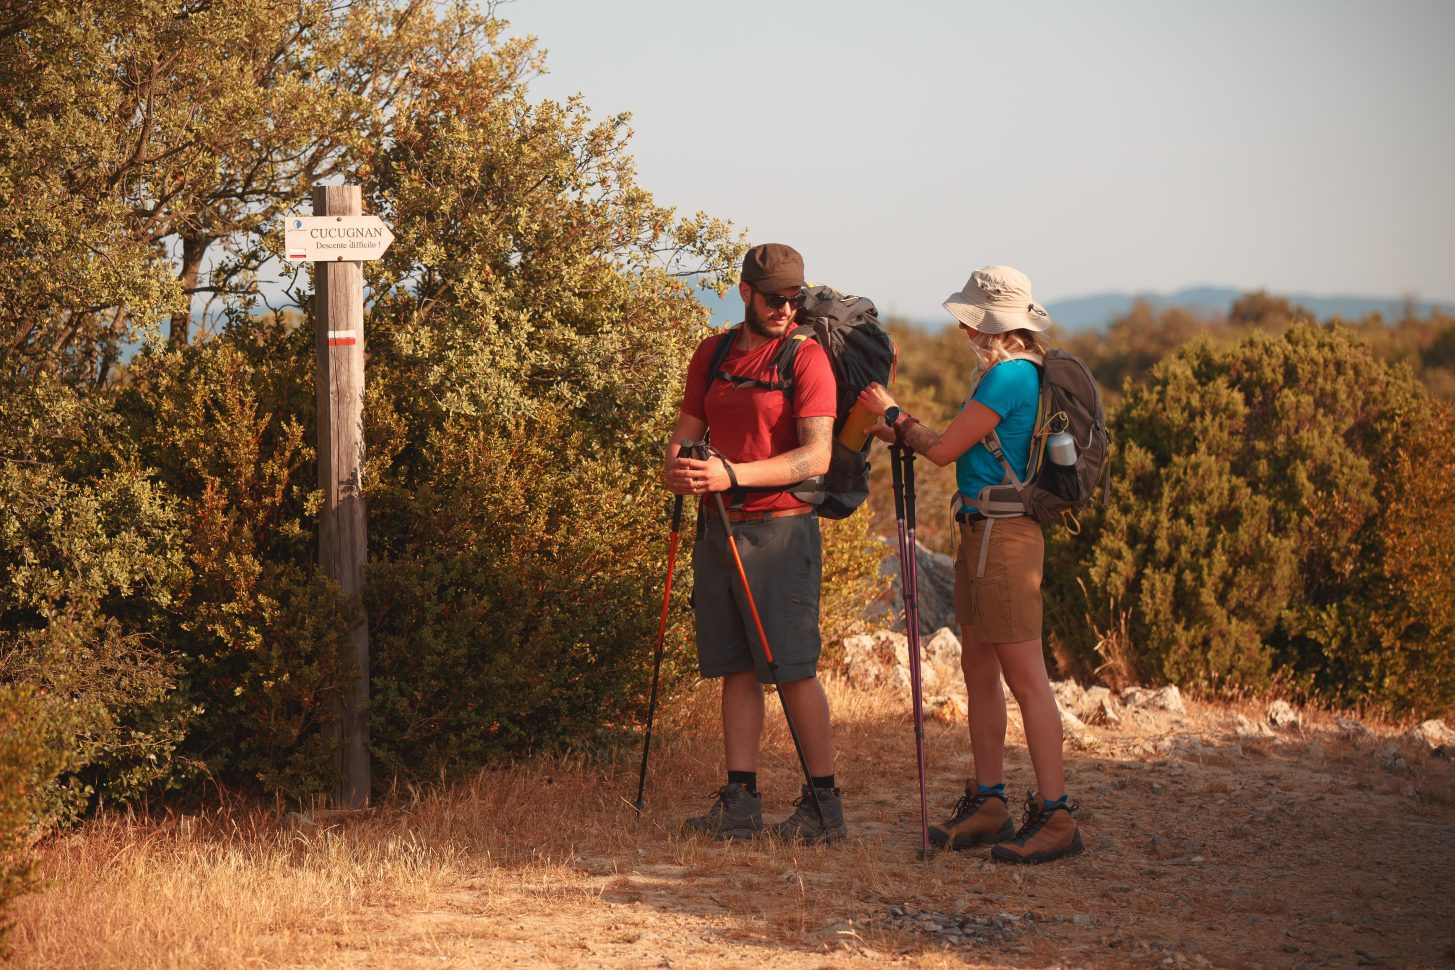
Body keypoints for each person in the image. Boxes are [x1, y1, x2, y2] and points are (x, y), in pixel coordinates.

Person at [857, 265, 1084, 864]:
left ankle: (1057, 816)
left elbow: (944, 451)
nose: (961, 330)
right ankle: (990, 803)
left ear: (990, 327)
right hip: (985, 532)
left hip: (1003, 539)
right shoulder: (1017, 374)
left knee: (1026, 679)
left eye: (969, 321)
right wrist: (900, 429)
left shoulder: (1007, 378)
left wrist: (897, 414)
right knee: (980, 668)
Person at [663, 242, 846, 844]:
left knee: (792, 668)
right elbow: (688, 431)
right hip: (719, 525)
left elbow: (816, 456)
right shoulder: (712, 352)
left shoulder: (806, 358)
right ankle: (740, 801)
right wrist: (680, 468)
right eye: (773, 299)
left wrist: (733, 475)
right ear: (745, 292)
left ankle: (824, 807)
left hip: (782, 531)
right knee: (735, 665)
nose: (785, 309)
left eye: (794, 299)